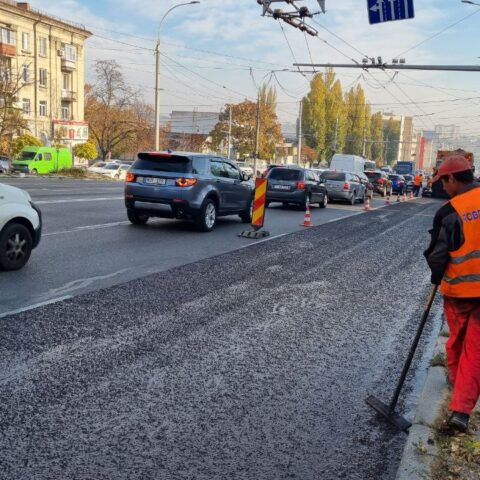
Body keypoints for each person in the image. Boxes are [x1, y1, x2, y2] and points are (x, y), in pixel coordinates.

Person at [424, 154, 480, 432]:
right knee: (474, 349)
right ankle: (461, 401)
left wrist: (436, 275)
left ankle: (459, 398)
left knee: (460, 342)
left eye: (443, 182)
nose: (442, 187)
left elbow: (438, 255)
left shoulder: (450, 212)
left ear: (452, 178)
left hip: (460, 293)